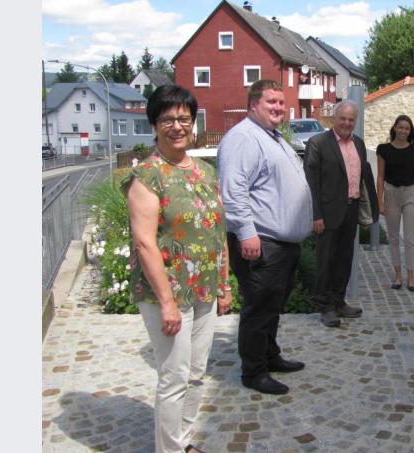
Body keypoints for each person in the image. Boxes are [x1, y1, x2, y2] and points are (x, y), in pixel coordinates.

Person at [122, 85, 231, 453]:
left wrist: (224, 284)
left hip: (203, 289)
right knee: (174, 377)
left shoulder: (204, 170)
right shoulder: (147, 176)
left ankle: (183, 441)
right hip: (165, 293)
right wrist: (168, 303)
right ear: (155, 124)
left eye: (184, 118)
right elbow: (144, 243)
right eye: (167, 119)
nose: (177, 126)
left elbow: (218, 230)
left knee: (197, 375)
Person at [218, 80, 313, 395]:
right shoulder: (244, 138)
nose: (278, 107)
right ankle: (253, 371)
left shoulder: (271, 137)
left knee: (272, 306)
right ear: (253, 104)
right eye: (271, 101)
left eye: (281, 103)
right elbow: (234, 190)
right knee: (259, 309)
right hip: (261, 243)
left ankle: (269, 356)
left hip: (281, 245)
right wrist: (246, 233)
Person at [304, 100, 376, 328]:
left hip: (351, 209)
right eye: (343, 118)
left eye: (351, 119)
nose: (347, 123)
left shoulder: (359, 144)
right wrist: (316, 215)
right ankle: (324, 306)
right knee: (326, 261)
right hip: (327, 212)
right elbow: (310, 183)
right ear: (334, 119)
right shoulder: (318, 143)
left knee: (345, 259)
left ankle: (338, 301)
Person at [376, 115, 414, 291]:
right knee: (393, 238)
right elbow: (380, 177)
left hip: (411, 193)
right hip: (391, 192)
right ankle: (398, 276)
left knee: (409, 238)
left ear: (410, 131)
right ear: (395, 128)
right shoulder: (383, 149)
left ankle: (411, 277)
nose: (403, 131)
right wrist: (380, 201)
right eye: (400, 127)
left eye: (407, 128)